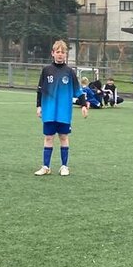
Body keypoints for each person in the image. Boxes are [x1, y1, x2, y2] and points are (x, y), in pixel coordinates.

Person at [35, 39, 84, 176]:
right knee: (48, 138)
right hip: (49, 111)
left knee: (63, 137)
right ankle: (46, 167)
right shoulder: (46, 70)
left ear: (66, 54)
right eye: (58, 52)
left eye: (63, 52)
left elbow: (78, 90)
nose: (60, 54)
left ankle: (64, 166)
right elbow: (40, 89)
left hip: (64, 112)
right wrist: (39, 106)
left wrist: (84, 105)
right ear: (53, 53)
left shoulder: (70, 72)